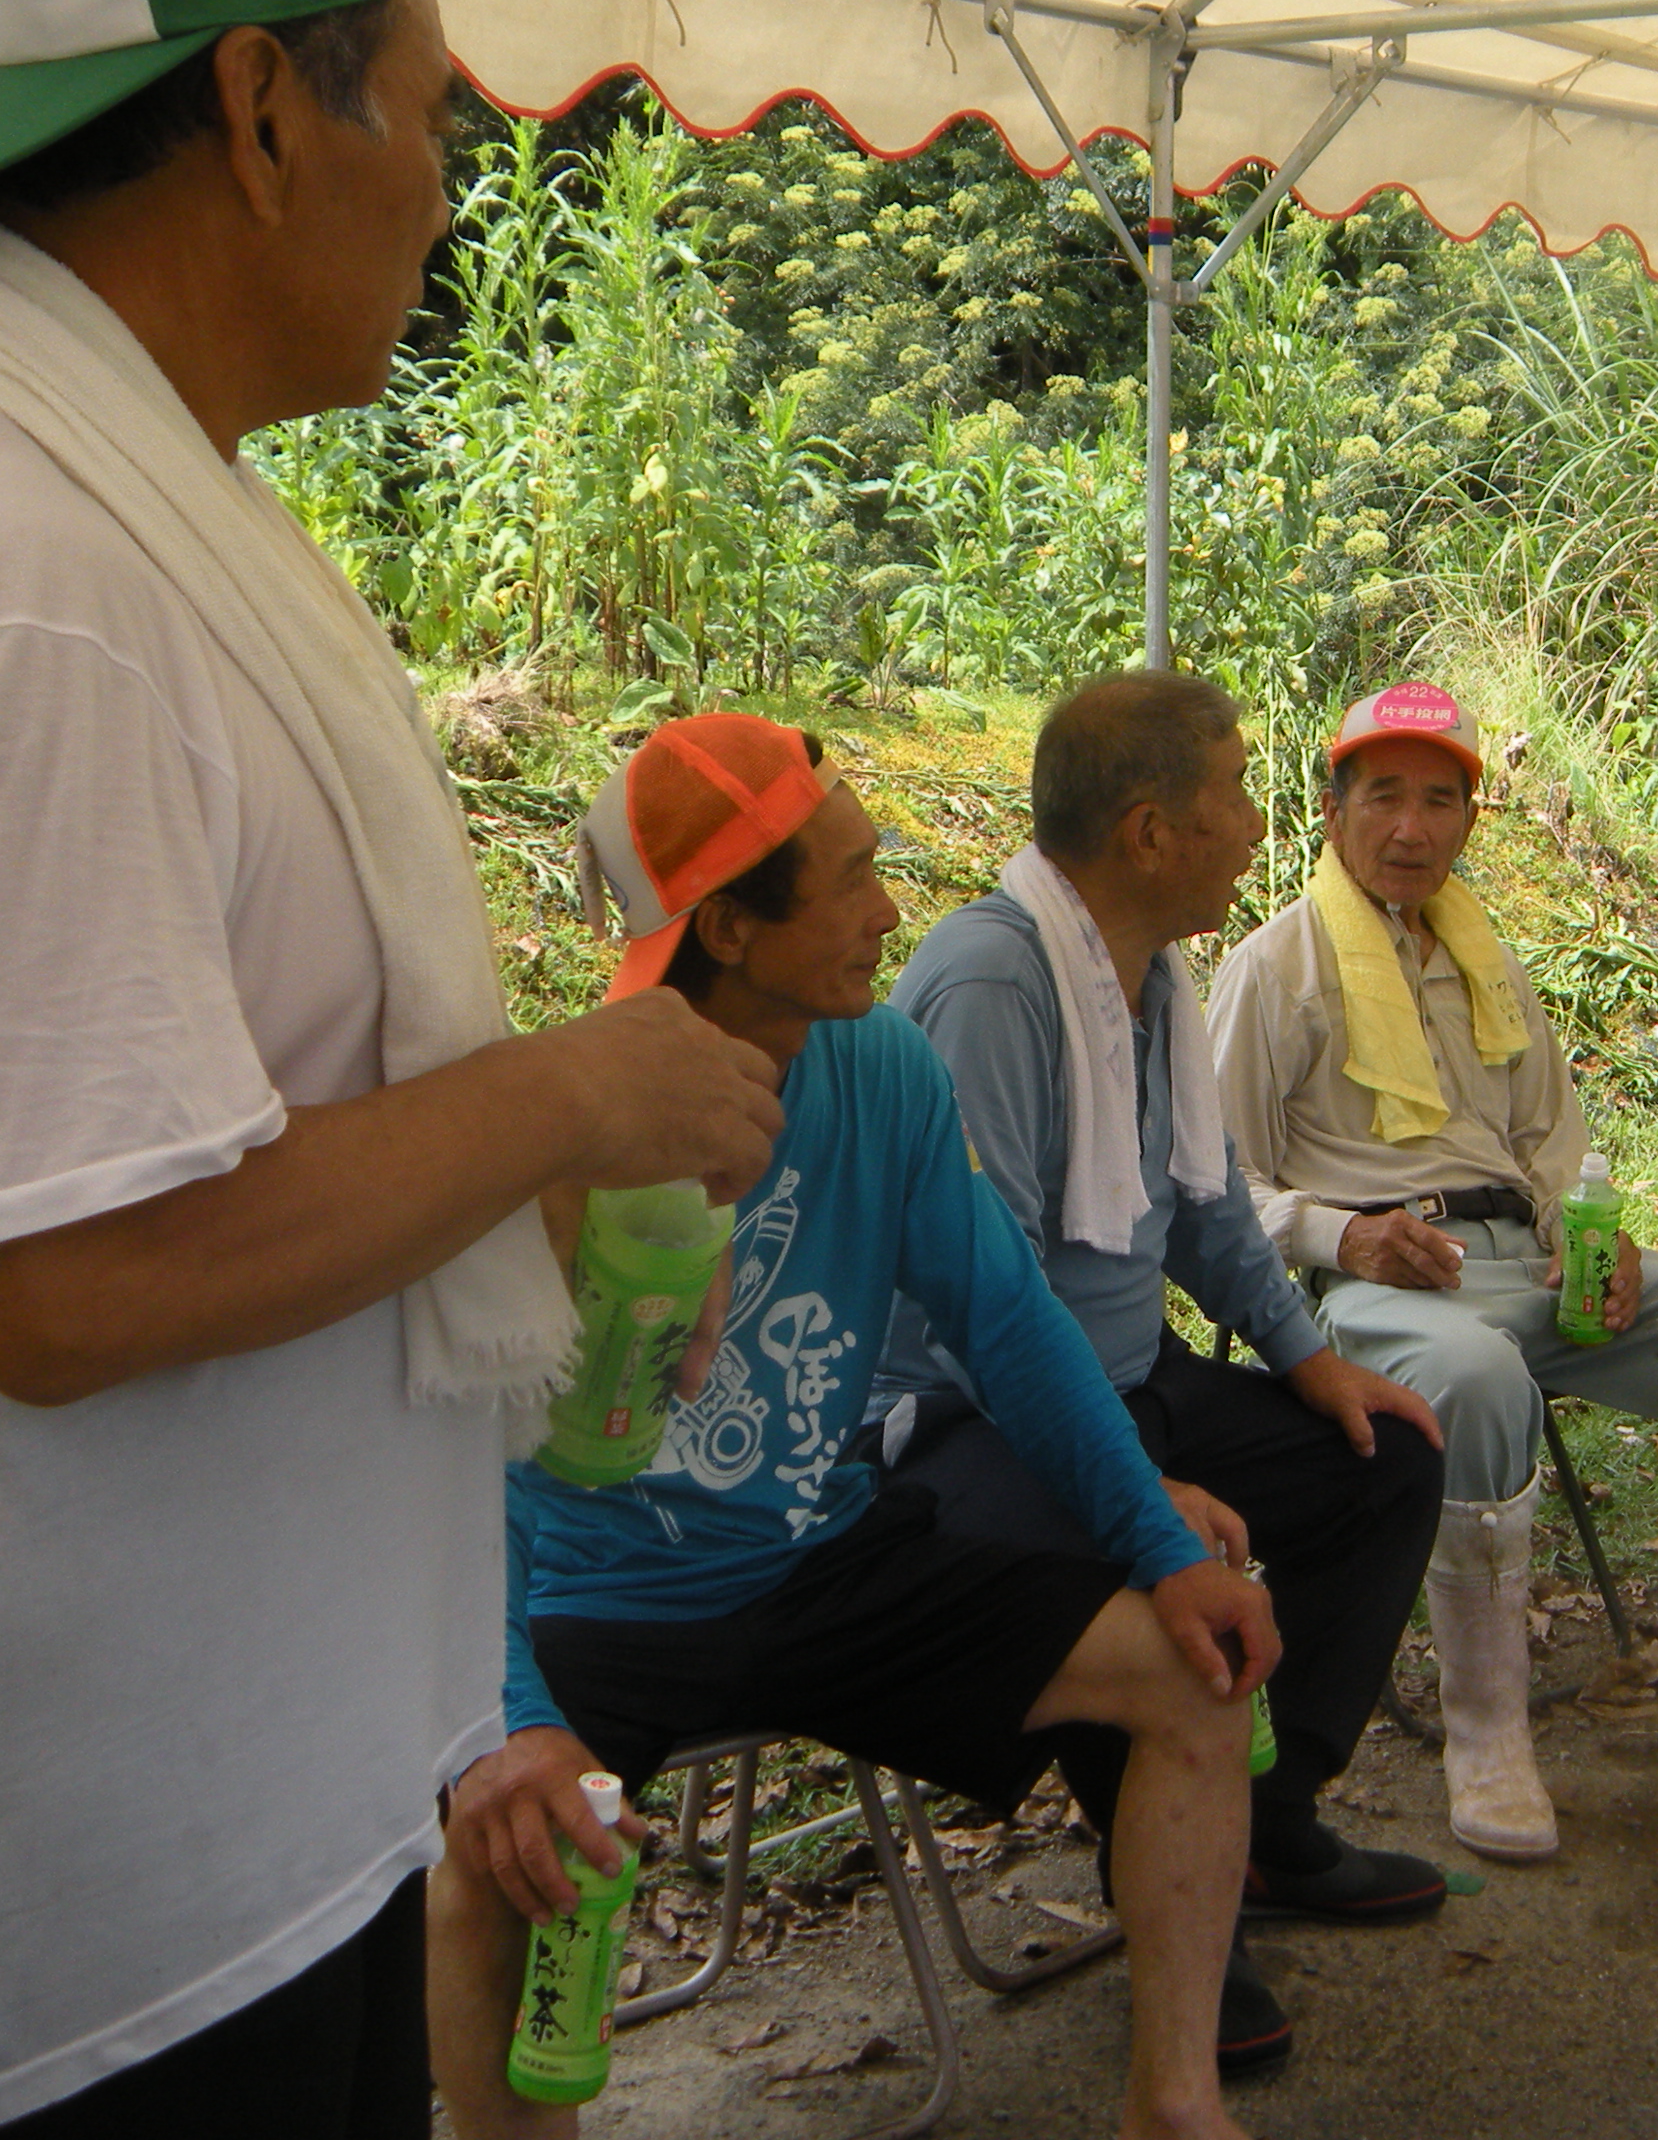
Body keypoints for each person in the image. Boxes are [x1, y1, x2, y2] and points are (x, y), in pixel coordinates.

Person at [0, 0, 784, 2137]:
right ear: (272, 112)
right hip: (90, 1936)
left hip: (265, 1827)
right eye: (435, 105)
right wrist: (568, 1096)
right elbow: (69, 1277)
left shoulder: (112, 528)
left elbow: (233, 1125)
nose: (450, 180)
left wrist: (535, 1195)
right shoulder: (4, 585)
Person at [436, 718, 1277, 2136]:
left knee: (1195, 1674)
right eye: (852, 881)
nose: (892, 911)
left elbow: (1009, 1325)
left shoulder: (881, 1068)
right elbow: (455, 1463)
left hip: (813, 1558)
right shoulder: (560, 1115)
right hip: (590, 1607)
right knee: (490, 1861)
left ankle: (1175, 2109)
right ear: (729, 929)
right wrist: (509, 1721)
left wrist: (1159, 1544)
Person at [1207, 680, 1658, 1864]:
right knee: (1479, 1380)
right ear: (1332, 810)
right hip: (1383, 1288)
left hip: (1531, 1263)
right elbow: (1215, 1187)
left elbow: (1551, 1141)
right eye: (1384, 798)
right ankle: (1487, 1733)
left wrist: (1599, 1236)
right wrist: (1345, 1234)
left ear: (1470, 821)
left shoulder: (1485, 959)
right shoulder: (1273, 968)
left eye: (1440, 802)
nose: (1411, 830)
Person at [882, 671, 1452, 1933]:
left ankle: (1263, 1828)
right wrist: (1134, 1489)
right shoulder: (997, 983)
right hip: (968, 1422)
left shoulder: (1148, 975)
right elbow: (988, 1310)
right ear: (1149, 834)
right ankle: (1172, 1903)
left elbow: (1204, 1205)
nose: (1255, 826)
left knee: (1385, 1460)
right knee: (1148, 1568)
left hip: (1130, 1378)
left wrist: (1313, 1364)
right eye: (1236, 794)